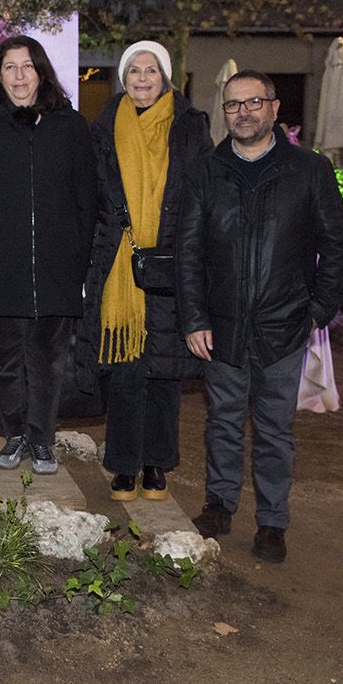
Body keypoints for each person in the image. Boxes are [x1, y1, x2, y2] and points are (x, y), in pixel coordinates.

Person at [177, 69, 343, 563]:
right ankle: (219, 505)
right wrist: (194, 319)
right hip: (221, 326)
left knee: (275, 430)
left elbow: (337, 246)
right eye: (234, 105)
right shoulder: (204, 173)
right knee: (223, 423)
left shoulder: (309, 172)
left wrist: (318, 310)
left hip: (284, 326)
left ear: (275, 109)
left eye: (254, 102)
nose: (244, 112)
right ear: (225, 114)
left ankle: (273, 522)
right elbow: (187, 252)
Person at [0, 35, 97, 476]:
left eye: (26, 66)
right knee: (6, 361)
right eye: (9, 67)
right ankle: (14, 435)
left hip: (56, 267)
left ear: (41, 71)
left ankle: (42, 440)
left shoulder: (69, 126)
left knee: (50, 362)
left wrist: (78, 261)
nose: (18, 76)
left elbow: (86, 198)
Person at [80, 40, 212, 502]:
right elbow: (91, 194)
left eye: (150, 71)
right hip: (118, 260)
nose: (141, 79)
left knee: (165, 369)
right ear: (123, 77)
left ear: (165, 77)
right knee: (125, 369)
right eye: (133, 70)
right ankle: (123, 464)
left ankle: (157, 464)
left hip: (173, 260)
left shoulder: (190, 126)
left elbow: (203, 193)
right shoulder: (102, 127)